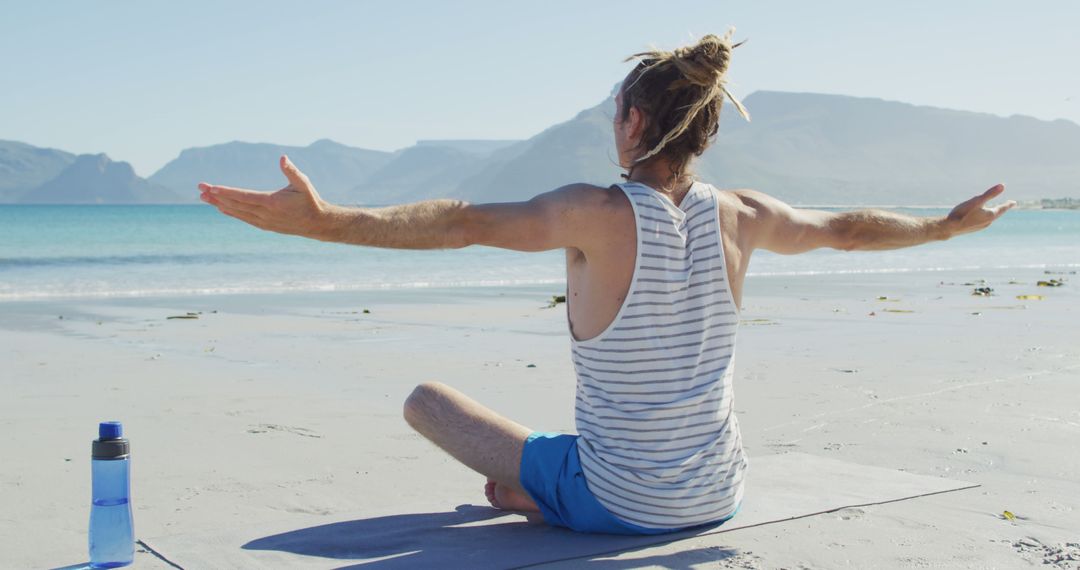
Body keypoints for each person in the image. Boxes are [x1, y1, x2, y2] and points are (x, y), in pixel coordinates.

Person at [197, 31, 1015, 536]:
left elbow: (460, 221)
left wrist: (328, 220)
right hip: (717, 495)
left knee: (427, 402)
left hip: (624, 503)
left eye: (613, 114)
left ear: (630, 122)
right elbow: (849, 230)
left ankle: (550, 499)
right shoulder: (746, 214)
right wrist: (946, 225)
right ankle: (546, 493)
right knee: (575, 449)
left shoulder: (591, 212)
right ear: (706, 133)